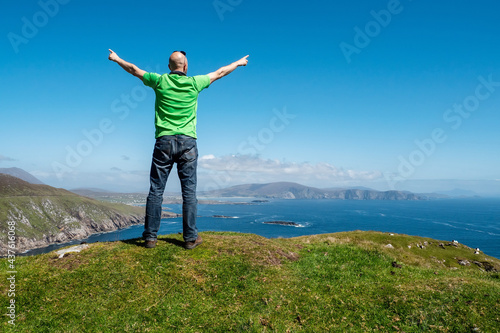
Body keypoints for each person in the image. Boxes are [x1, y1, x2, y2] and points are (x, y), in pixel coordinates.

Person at [108, 49, 249, 249]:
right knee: (189, 192)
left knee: (156, 190)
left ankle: (150, 238)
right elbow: (220, 72)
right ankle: (190, 238)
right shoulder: (195, 83)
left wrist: (116, 59)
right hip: (188, 143)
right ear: (185, 66)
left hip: (163, 141)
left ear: (169, 67)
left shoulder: (159, 81)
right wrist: (238, 62)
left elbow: (133, 70)